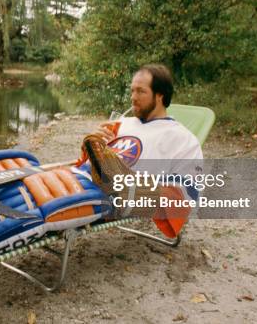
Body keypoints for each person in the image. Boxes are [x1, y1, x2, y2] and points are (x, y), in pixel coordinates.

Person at [87, 64, 203, 238]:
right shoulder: (122, 123)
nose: (133, 97)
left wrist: (135, 190)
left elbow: (188, 190)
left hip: (115, 194)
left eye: (141, 91)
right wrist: (93, 146)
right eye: (132, 91)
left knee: (49, 205)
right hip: (87, 178)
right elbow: (91, 162)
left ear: (160, 95)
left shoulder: (182, 138)